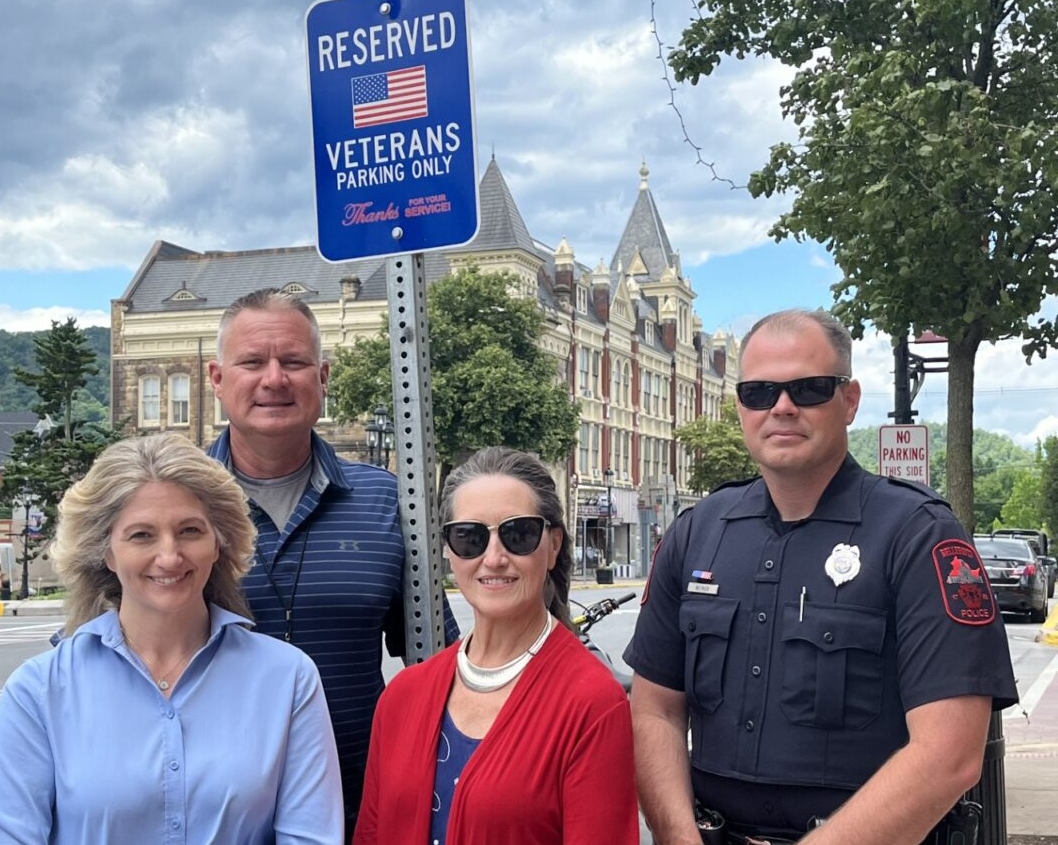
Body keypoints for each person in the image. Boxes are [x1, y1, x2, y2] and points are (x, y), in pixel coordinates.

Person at [626, 308, 1019, 845]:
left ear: (850, 400)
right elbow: (654, 710)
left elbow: (949, 755)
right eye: (759, 392)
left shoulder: (917, 536)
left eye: (809, 389)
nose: (781, 408)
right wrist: (676, 835)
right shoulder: (697, 531)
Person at [0, 432, 343, 844]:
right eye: (141, 535)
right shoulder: (39, 691)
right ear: (106, 551)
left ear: (219, 542)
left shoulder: (287, 678)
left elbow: (310, 836)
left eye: (190, 531)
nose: (169, 556)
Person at [206, 288, 460, 838]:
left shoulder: (389, 503)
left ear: (322, 378)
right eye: (252, 362)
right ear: (217, 379)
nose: (274, 379)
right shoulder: (174, 502)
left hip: (359, 814)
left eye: (293, 362)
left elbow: (443, 665)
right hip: (208, 820)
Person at [354, 446, 638, 845]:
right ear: (449, 551)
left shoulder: (591, 703)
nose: (494, 558)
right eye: (469, 538)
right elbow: (371, 833)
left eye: (518, 534)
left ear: (553, 545)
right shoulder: (403, 696)